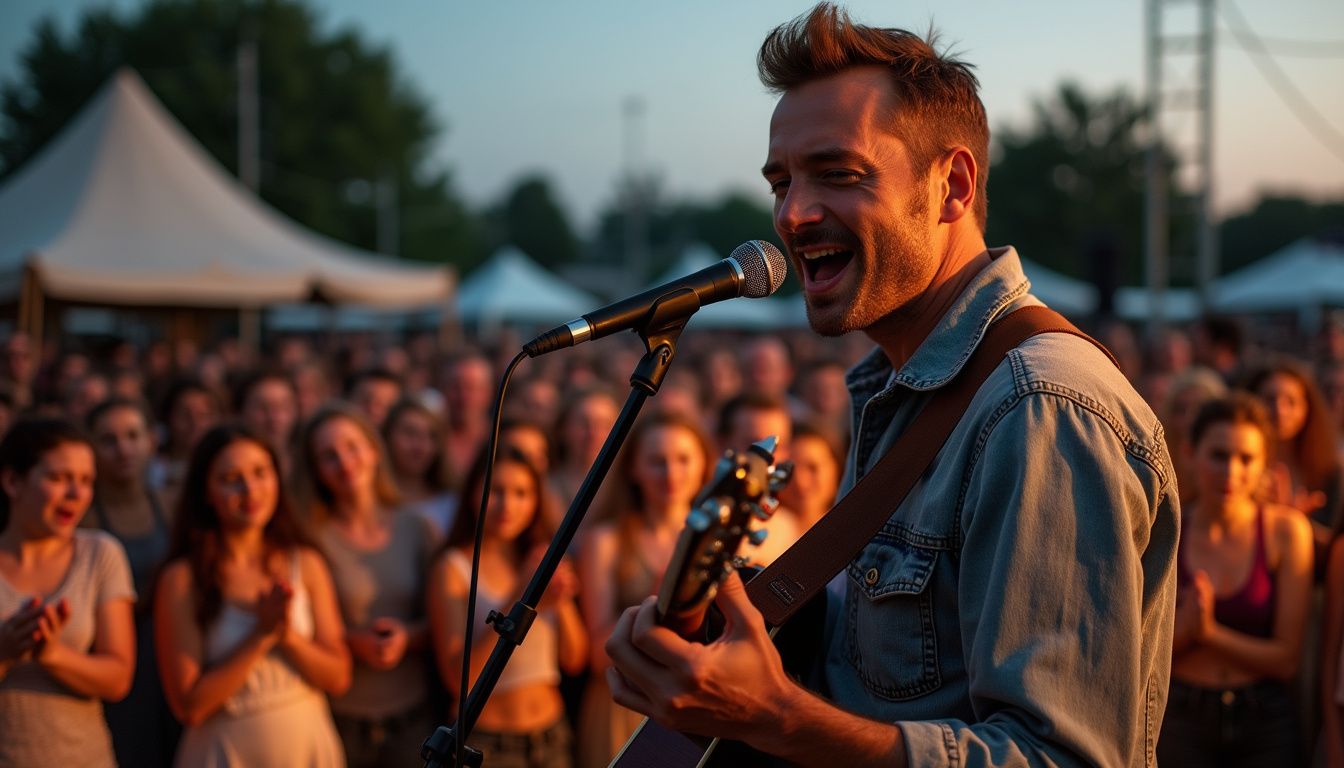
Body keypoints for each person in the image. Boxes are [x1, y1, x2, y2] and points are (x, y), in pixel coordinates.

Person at [602, 5, 1179, 766]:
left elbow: (1060, 757)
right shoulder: (902, 389)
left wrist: (779, 718)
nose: (793, 213)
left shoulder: (1039, 408)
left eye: (837, 175)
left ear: (953, 185)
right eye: (781, 182)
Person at [154, 425, 350, 767]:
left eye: (261, 473)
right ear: (206, 492)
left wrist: (287, 635)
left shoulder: (305, 562)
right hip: (224, 751)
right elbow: (190, 706)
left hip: (307, 744)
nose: (251, 490)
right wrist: (260, 636)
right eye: (231, 478)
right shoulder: (182, 579)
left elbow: (338, 677)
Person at [1159, 395, 1312, 765]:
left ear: (1265, 465)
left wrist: (1208, 634)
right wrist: (1186, 632)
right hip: (1180, 715)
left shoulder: (1286, 533)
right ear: (1190, 452)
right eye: (1218, 455)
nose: (1231, 472)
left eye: (1246, 459)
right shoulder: (1165, 528)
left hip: (1265, 720)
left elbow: (1287, 659)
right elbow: (1144, 655)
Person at [292, 404, 437, 767]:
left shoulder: (415, 527)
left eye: (352, 447)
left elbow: (449, 621)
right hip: (343, 716)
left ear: (374, 451)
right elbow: (298, 626)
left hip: (413, 716)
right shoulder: (310, 539)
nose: (344, 462)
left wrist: (408, 636)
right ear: (315, 471)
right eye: (329, 456)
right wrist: (353, 641)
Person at [426, 447, 587, 767]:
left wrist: (562, 603)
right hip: (487, 743)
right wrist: (520, 592)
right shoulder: (453, 567)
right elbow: (457, 677)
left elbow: (575, 659)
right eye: (496, 491)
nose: (508, 505)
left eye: (522, 493)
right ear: (475, 493)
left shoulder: (541, 557)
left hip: (551, 734)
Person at [577, 410, 714, 765]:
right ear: (633, 469)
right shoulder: (604, 541)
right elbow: (596, 654)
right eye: (657, 461)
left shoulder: (722, 541)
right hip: (622, 706)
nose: (671, 474)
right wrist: (658, 596)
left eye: (683, 459)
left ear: (703, 465)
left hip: (696, 710)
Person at [0, 417, 135, 767]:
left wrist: (53, 655)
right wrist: (5, 651)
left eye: (86, 481)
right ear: (13, 481)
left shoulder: (100, 554)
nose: (76, 494)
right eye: (58, 478)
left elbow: (118, 678)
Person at [85, 397, 180, 767]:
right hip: (115, 663)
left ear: (151, 442)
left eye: (132, 435)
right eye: (108, 440)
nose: (123, 449)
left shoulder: (172, 506)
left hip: (172, 655)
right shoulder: (84, 520)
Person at [381, 397, 457, 539]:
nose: (421, 446)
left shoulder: (452, 503)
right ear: (387, 435)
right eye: (410, 433)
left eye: (431, 436)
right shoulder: (373, 500)